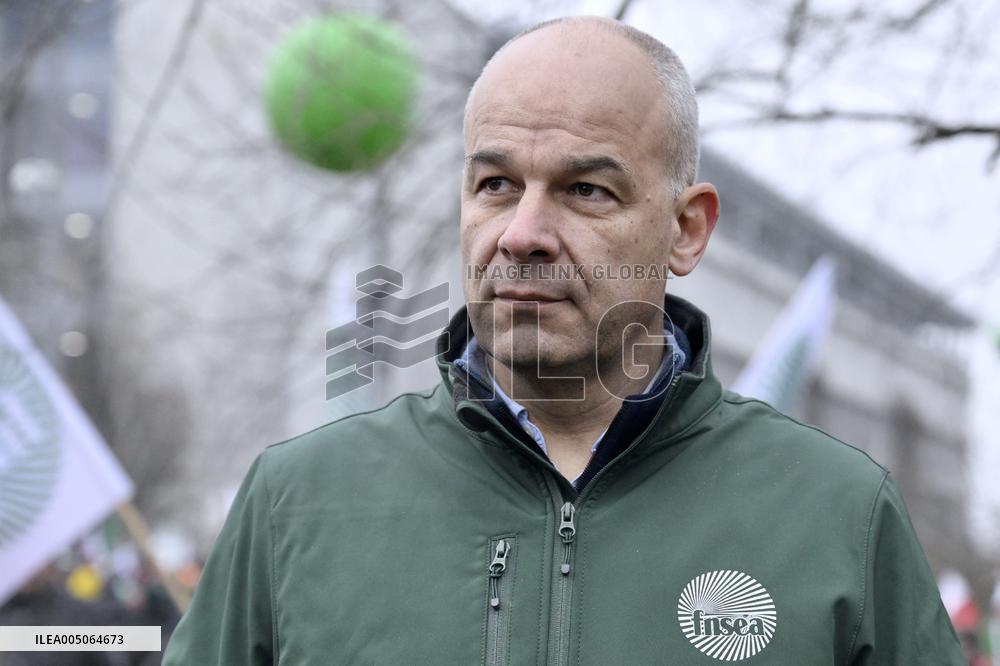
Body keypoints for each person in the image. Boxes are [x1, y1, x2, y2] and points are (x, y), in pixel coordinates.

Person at [163, 15, 964, 664]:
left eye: (585, 190)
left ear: (686, 230)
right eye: (495, 184)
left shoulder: (840, 515)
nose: (522, 234)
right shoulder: (295, 503)